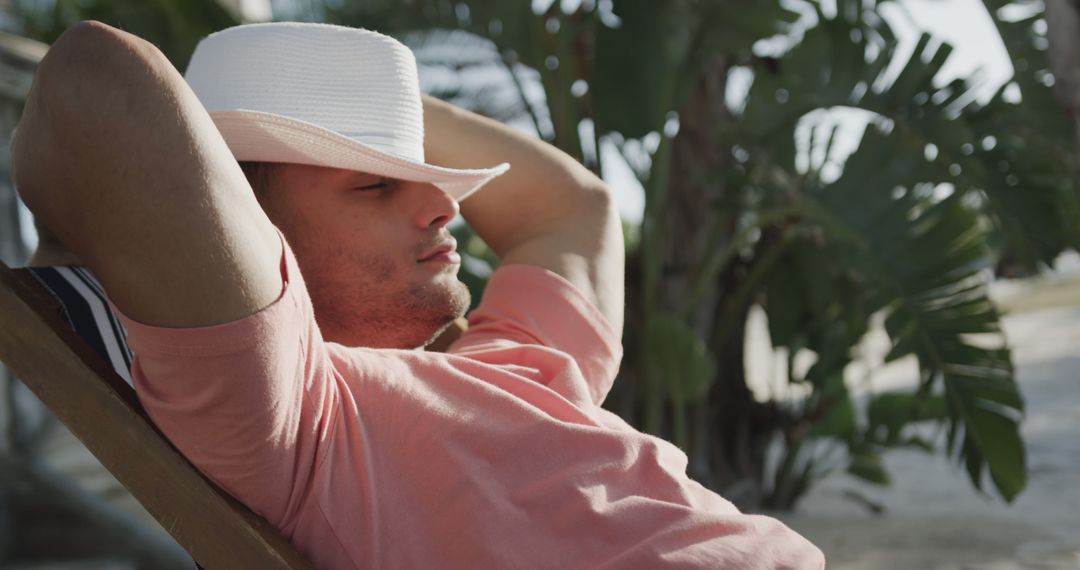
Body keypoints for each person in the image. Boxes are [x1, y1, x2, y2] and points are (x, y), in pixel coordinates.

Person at [12, 20, 825, 569]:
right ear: (251, 234)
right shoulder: (298, 422)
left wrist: (370, 114)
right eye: (372, 186)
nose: (447, 206)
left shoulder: (517, 364)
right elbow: (97, 79)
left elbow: (576, 206)